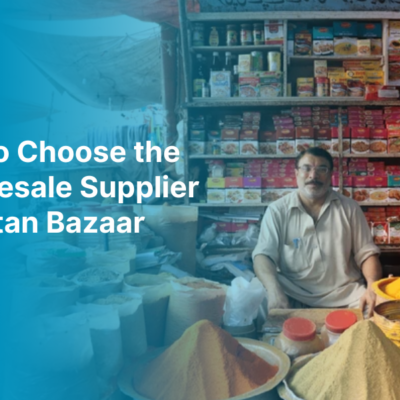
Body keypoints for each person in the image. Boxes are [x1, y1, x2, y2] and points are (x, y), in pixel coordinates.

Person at [253, 147, 382, 317]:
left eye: (322, 169)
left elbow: (367, 254)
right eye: (307, 168)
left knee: (381, 308)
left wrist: (373, 286)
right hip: (292, 292)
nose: (313, 176)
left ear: (330, 176)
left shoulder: (349, 208)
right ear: (296, 173)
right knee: (255, 298)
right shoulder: (277, 210)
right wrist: (274, 290)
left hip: (345, 294)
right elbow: (263, 255)